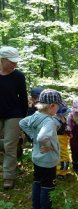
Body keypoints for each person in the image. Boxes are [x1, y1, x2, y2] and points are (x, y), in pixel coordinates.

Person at [19, 89, 63, 209]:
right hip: (48, 160)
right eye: (58, 105)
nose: (59, 108)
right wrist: (47, 145)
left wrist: (32, 136)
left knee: (37, 181)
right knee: (48, 185)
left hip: (37, 157)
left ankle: (36, 207)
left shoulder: (36, 114)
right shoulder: (49, 121)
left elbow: (22, 123)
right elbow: (43, 136)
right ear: (52, 106)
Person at [0, 46, 28, 189]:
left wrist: (24, 119)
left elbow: (23, 98)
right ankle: (18, 147)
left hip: (14, 114)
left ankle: (8, 176)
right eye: (12, 61)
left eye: (16, 61)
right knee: (5, 144)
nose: (15, 64)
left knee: (9, 146)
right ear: (2, 60)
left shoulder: (18, 76)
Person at [53, 103, 71, 179]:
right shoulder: (55, 120)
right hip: (58, 140)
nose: (66, 114)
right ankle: (60, 173)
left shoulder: (63, 118)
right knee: (63, 156)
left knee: (64, 155)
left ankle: (63, 171)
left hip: (64, 140)